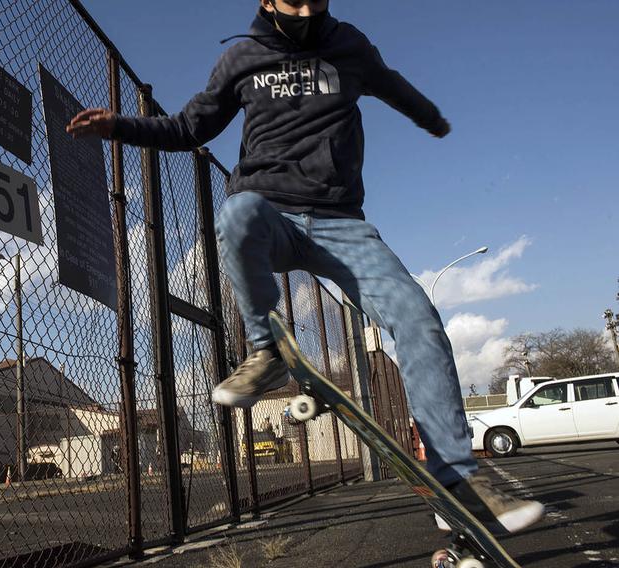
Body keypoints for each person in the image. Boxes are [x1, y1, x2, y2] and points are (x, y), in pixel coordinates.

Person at [67, 0, 543, 534]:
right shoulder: (242, 57)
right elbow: (189, 126)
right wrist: (120, 127)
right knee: (237, 212)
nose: (305, 7)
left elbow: (391, 84)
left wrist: (430, 117)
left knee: (418, 319)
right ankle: (267, 351)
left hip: (342, 224)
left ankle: (456, 475)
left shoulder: (350, 46)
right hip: (269, 212)